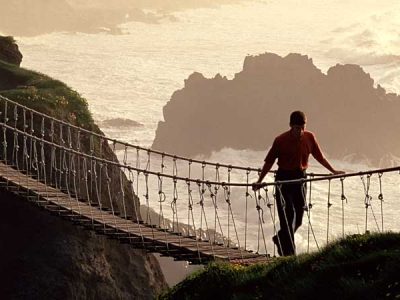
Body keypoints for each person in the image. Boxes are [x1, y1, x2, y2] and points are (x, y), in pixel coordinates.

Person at [253, 111, 344, 256]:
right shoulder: (280, 140)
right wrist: (260, 181)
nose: (300, 131)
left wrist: (333, 171)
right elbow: (269, 162)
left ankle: (280, 238)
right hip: (283, 179)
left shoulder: (310, 137)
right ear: (290, 126)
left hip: (300, 179)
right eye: (297, 128)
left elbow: (319, 156)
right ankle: (290, 256)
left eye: (303, 127)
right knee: (287, 216)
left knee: (300, 217)